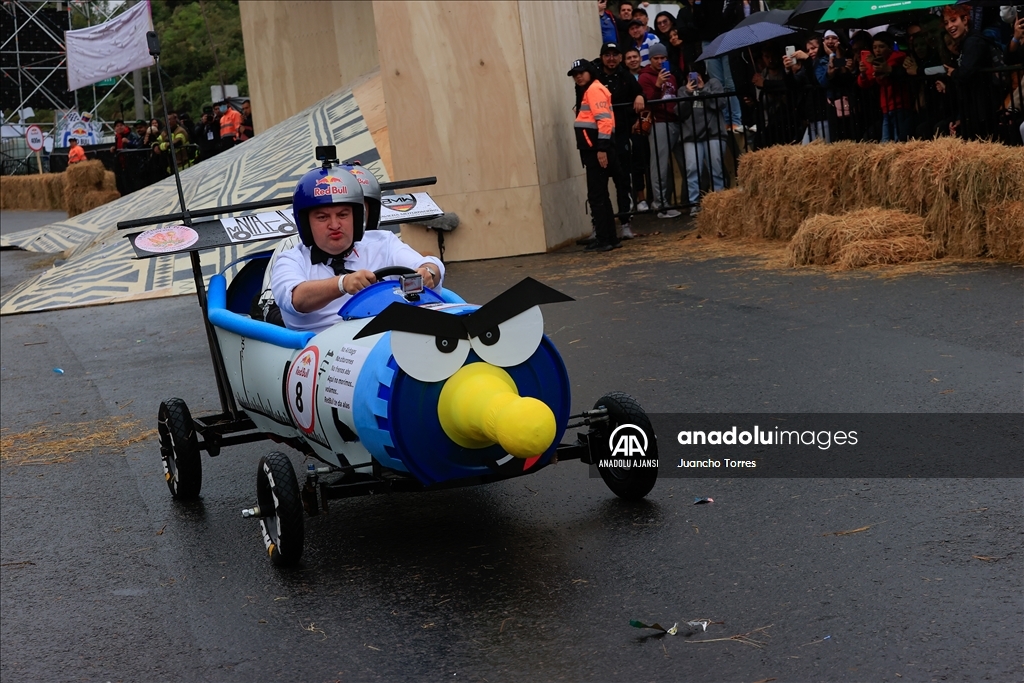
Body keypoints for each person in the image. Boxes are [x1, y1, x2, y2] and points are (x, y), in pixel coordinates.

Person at [270, 166, 444, 333]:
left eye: (343, 215)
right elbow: (296, 299)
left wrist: (429, 272)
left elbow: (430, 265)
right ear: (306, 224)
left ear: (357, 217)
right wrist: (342, 284)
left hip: (387, 338)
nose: (335, 225)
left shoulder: (383, 242)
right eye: (322, 217)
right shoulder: (290, 259)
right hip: (320, 350)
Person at [568, 57, 621, 252]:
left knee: (597, 196)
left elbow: (604, 122)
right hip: (595, 149)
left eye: (581, 73)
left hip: (596, 150)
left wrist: (601, 148)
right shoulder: (590, 90)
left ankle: (604, 238)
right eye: (575, 75)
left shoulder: (594, 90)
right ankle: (609, 237)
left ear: (590, 71)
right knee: (601, 196)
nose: (578, 77)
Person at [595, 42, 644, 239]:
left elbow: (639, 90)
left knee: (623, 180)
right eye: (608, 55)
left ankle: (625, 223)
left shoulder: (625, 76)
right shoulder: (595, 77)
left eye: (615, 55)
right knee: (598, 184)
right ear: (602, 57)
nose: (612, 59)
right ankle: (599, 226)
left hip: (621, 135)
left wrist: (640, 96)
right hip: (600, 137)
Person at [639, 43, 684, 218]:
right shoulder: (645, 77)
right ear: (650, 60)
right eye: (656, 58)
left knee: (685, 163)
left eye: (662, 58)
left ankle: (685, 201)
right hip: (659, 122)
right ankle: (660, 204)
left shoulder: (671, 76)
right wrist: (657, 85)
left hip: (675, 121)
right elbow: (647, 101)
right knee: (659, 166)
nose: (659, 61)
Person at [678, 63, 728, 216]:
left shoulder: (713, 84)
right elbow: (680, 112)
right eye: (690, 75)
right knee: (692, 169)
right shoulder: (682, 90)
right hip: (691, 136)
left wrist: (703, 90)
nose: (694, 78)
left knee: (717, 169)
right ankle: (695, 204)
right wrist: (688, 92)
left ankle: (720, 201)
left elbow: (720, 104)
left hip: (713, 133)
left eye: (697, 74)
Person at [857, 31, 913, 142]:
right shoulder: (877, 63)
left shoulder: (897, 58)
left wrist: (876, 66)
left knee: (899, 139)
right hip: (886, 108)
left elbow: (883, 78)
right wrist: (863, 73)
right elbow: (866, 82)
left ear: (891, 47)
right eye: (875, 47)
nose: (877, 50)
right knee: (885, 141)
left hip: (900, 106)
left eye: (881, 47)